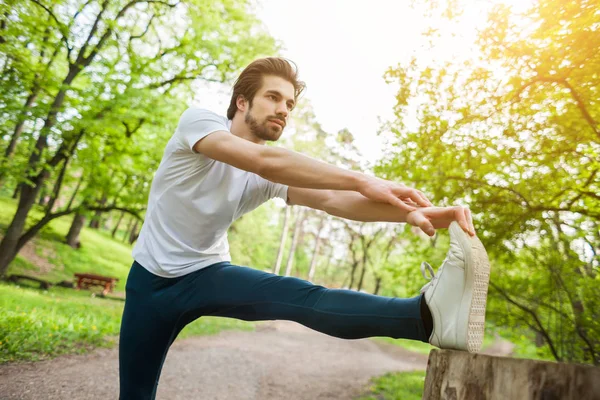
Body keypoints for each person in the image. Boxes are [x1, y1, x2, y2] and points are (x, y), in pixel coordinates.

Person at [118, 57, 490, 399]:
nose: (283, 109)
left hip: (205, 274)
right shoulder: (199, 124)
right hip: (149, 284)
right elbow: (262, 160)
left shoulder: (267, 176)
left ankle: (425, 318)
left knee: (304, 298)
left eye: (290, 104)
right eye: (273, 97)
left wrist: (436, 214)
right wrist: (361, 179)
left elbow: (333, 200)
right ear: (242, 102)